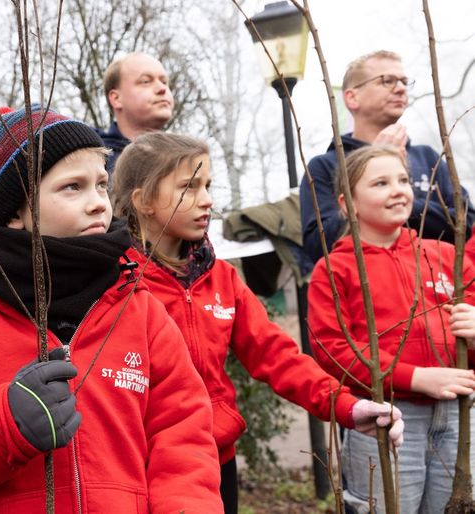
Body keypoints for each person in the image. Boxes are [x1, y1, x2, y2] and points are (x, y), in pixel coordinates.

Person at [0, 106, 223, 513]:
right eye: (72, 187)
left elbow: (183, 438)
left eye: (101, 184)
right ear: (15, 212)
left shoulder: (139, 308)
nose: (99, 203)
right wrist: (4, 425)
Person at [112, 132, 405, 514]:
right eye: (189, 187)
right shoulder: (116, 281)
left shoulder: (220, 278)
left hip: (215, 460)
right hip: (139, 464)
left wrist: (346, 406)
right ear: (143, 200)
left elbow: (275, 353)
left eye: (208, 185)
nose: (207, 199)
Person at [308, 145, 475, 513]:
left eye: (402, 179)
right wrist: (414, 377)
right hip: (387, 419)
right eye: (381, 183)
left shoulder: (445, 256)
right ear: (347, 203)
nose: (398, 189)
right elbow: (332, 350)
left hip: (459, 415)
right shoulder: (335, 269)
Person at [299, 50, 475, 265]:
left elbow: (465, 225)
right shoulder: (326, 166)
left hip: (436, 286)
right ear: (352, 97)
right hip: (368, 291)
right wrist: (374, 162)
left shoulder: (428, 157)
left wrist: (402, 204)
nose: (400, 88)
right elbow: (318, 246)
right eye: (387, 81)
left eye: (404, 81)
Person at [97, 52, 174, 173]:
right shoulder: (95, 161)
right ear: (116, 98)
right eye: (145, 81)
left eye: (164, 82)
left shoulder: (181, 161)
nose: (162, 88)